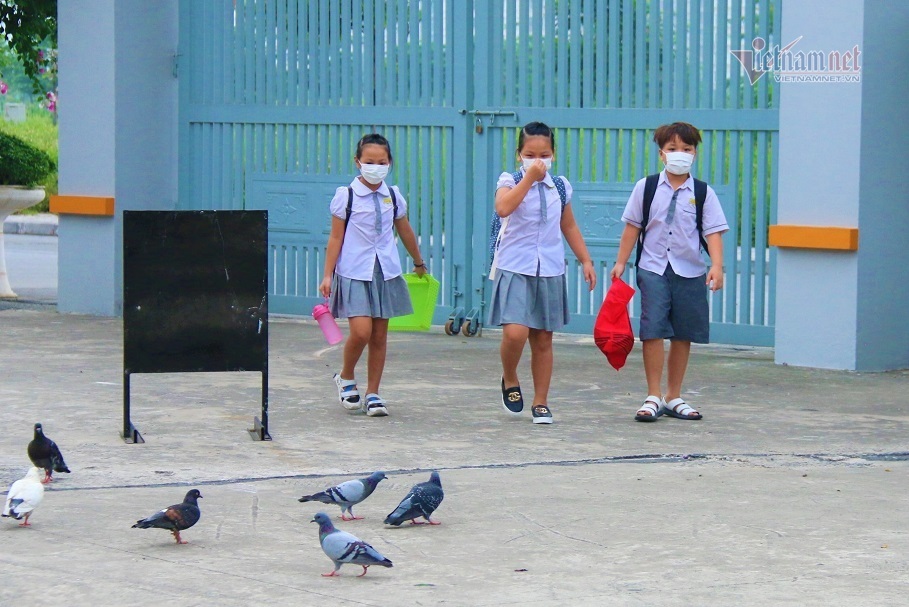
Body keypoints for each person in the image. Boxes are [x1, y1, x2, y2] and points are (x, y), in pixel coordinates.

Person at [610, 122, 729, 422]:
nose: (680, 154)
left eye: (687, 149)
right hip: (652, 267)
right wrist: (621, 262)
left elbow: (713, 232)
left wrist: (716, 265)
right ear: (662, 154)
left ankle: (673, 395)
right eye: (673, 149)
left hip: (689, 271)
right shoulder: (646, 187)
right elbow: (632, 227)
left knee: (682, 333)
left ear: (695, 154)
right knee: (653, 329)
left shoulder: (703, 193)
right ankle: (653, 395)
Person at [488, 122, 597, 424]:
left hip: (549, 267)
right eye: (530, 154)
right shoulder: (509, 179)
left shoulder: (560, 186)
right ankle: (509, 377)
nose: (538, 160)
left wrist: (585, 260)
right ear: (519, 154)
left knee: (543, 338)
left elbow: (569, 225)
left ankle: (541, 401)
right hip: (515, 265)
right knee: (515, 333)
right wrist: (529, 179)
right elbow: (503, 208)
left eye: (544, 154)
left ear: (554, 154)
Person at [319, 133, 426, 417]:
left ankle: (373, 393)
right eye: (369, 161)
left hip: (385, 271)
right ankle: (346, 376)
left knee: (379, 335)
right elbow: (335, 238)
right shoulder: (347, 196)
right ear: (358, 162)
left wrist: (418, 261)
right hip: (355, 271)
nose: (375, 166)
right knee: (362, 331)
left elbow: (404, 230)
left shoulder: (393, 196)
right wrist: (327, 275)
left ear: (389, 163)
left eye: (381, 161)